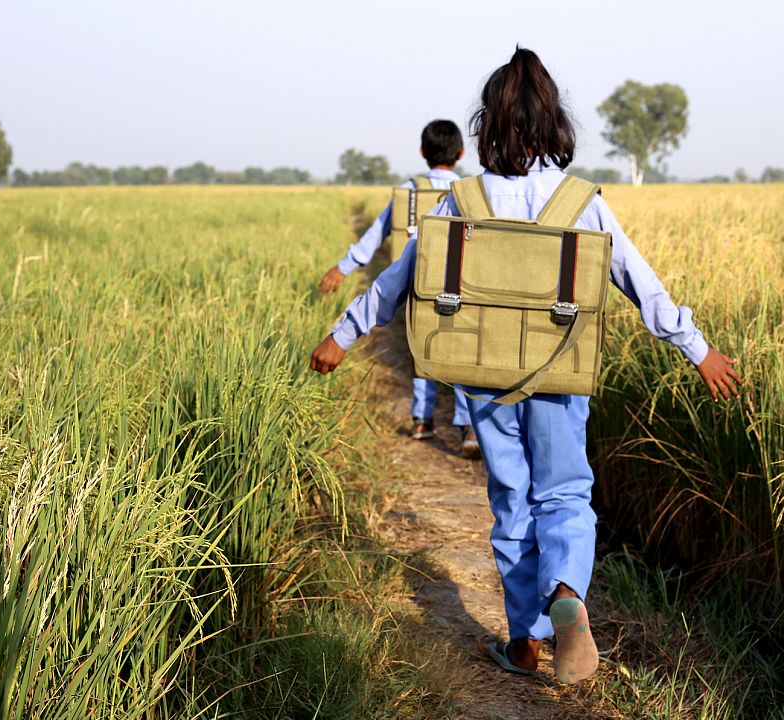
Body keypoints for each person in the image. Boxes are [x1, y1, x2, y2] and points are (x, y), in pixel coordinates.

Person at [310, 48, 742, 684]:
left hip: (482, 378)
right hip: (559, 375)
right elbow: (637, 280)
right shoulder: (579, 201)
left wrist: (342, 336)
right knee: (564, 492)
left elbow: (401, 278)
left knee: (512, 500)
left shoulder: (463, 200)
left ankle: (523, 640)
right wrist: (697, 349)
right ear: (555, 126)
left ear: (488, 126)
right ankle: (567, 599)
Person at [317, 119, 478, 458]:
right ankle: (466, 427)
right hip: (462, 286)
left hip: (419, 282)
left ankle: (422, 419)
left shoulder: (409, 191)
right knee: (462, 349)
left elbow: (376, 235)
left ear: (422, 153)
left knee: (423, 347)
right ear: (461, 153)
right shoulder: (471, 194)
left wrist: (343, 268)